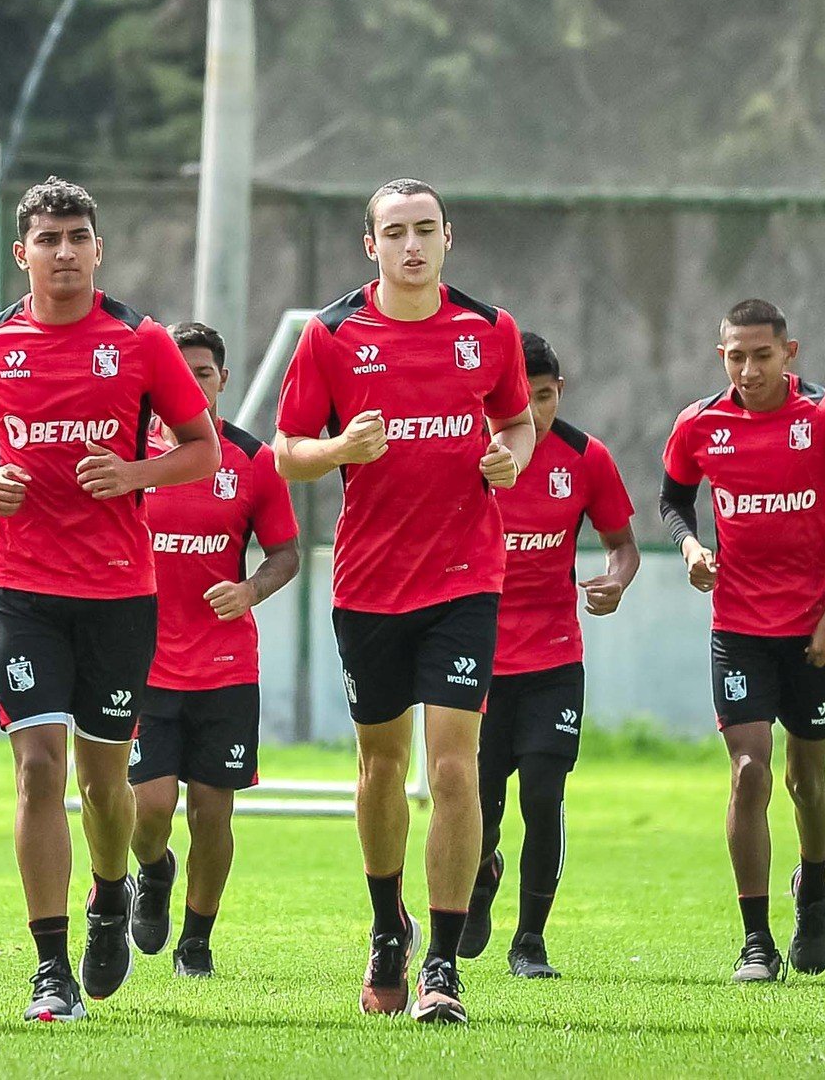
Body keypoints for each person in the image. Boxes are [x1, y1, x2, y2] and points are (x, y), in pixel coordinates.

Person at [0, 177, 219, 1022]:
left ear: (99, 249)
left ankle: (108, 890)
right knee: (36, 771)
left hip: (119, 595)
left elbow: (201, 450)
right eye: (48, 238)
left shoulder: (141, 342)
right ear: (20, 252)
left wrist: (133, 473)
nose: (64, 251)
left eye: (77, 237)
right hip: (21, 592)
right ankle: (49, 968)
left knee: (103, 784)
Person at [272, 178, 535, 1024]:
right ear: (371, 245)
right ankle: (388, 928)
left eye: (425, 229)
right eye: (395, 232)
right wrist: (338, 447)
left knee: (453, 764)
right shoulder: (331, 335)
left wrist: (510, 457)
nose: (411, 245)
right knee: (380, 766)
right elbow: (284, 453)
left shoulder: (486, 330)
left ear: (448, 238)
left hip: (465, 578)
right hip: (368, 584)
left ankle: (444, 967)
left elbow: (517, 422)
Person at [659, 298, 825, 984]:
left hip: (817, 630)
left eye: (761, 355)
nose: (748, 369)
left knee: (803, 779)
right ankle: (755, 942)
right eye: (735, 356)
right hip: (737, 628)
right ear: (719, 355)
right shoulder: (698, 425)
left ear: (789, 353)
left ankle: (811, 891)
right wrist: (691, 546)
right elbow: (673, 500)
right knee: (749, 771)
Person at [459, 331, 637, 979]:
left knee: (542, 793)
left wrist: (615, 579)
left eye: (544, 396)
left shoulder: (585, 458)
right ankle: (477, 878)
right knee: (474, 805)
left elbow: (622, 543)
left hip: (553, 663)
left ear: (557, 391)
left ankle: (528, 941)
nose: (533, 412)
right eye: (521, 398)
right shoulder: (473, 458)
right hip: (473, 660)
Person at [127, 321, 300, 978]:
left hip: (224, 667)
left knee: (211, 810)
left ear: (222, 380)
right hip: (142, 665)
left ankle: (196, 941)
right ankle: (152, 870)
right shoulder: (134, 461)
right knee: (146, 810)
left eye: (203, 372)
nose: (192, 384)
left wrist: (250, 589)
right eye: (180, 372)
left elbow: (284, 553)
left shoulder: (253, 462)